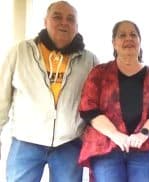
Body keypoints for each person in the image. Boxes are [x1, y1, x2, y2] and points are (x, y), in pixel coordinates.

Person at [0, 1, 98, 181]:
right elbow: (1, 99)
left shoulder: (89, 60)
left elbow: (97, 104)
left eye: (70, 19)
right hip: (25, 143)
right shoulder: (20, 52)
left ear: (76, 27)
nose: (64, 22)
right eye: (57, 17)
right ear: (45, 21)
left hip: (69, 144)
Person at [78, 20, 149, 182]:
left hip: (144, 148)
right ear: (114, 43)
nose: (129, 38)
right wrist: (115, 135)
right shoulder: (99, 72)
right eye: (122, 35)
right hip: (106, 148)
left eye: (133, 34)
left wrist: (142, 135)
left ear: (140, 41)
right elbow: (88, 108)